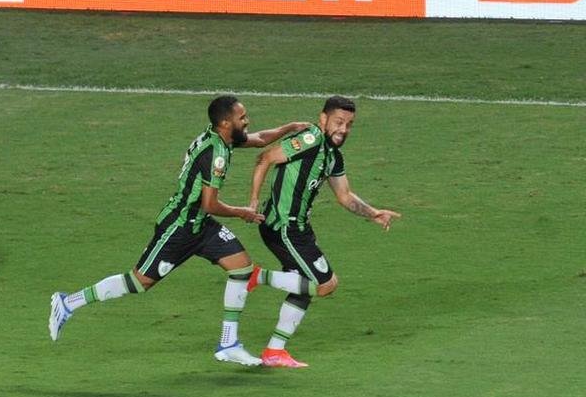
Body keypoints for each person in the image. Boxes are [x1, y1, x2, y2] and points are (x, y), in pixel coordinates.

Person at [48, 95, 308, 366]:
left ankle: (228, 344)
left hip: (200, 226)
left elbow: (259, 138)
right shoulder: (215, 154)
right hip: (179, 226)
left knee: (241, 267)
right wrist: (241, 212)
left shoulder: (221, 137)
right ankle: (68, 302)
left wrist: (289, 127)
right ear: (224, 123)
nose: (247, 121)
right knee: (139, 282)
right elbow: (209, 204)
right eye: (242, 118)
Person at [246, 95, 401, 368]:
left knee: (304, 287)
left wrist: (374, 213)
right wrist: (254, 202)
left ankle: (274, 352)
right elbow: (265, 158)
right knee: (324, 284)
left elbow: (345, 196)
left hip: (300, 230)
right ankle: (256, 276)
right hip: (283, 227)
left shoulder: (332, 156)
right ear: (323, 119)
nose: (344, 129)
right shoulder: (310, 140)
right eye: (339, 122)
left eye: (349, 124)